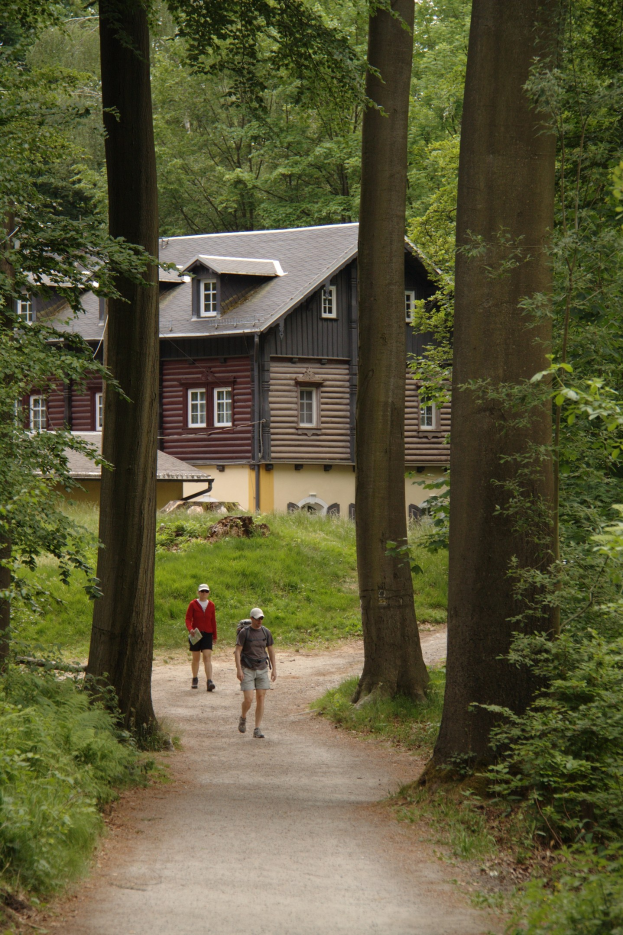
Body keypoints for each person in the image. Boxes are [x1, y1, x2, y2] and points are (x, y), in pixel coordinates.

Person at [235, 607, 277, 738]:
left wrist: (274, 669)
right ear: (251, 619)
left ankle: (257, 728)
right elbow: (237, 651)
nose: (260, 621)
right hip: (247, 668)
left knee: (261, 698)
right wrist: (239, 669)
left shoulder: (266, 632)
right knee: (249, 699)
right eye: (257, 618)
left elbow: (270, 650)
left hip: (262, 668)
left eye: (261, 618)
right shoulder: (244, 633)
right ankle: (243, 716)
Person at [185, 584, 217, 691]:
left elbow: (213, 621)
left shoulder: (211, 605)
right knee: (196, 658)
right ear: (198, 592)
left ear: (209, 593)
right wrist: (191, 629)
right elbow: (188, 619)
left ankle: (209, 681)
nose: (204, 593)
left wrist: (214, 635)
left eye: (206, 591)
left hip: (207, 633)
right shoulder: (193, 604)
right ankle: (195, 678)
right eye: (202, 591)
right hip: (196, 634)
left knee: (207, 657)